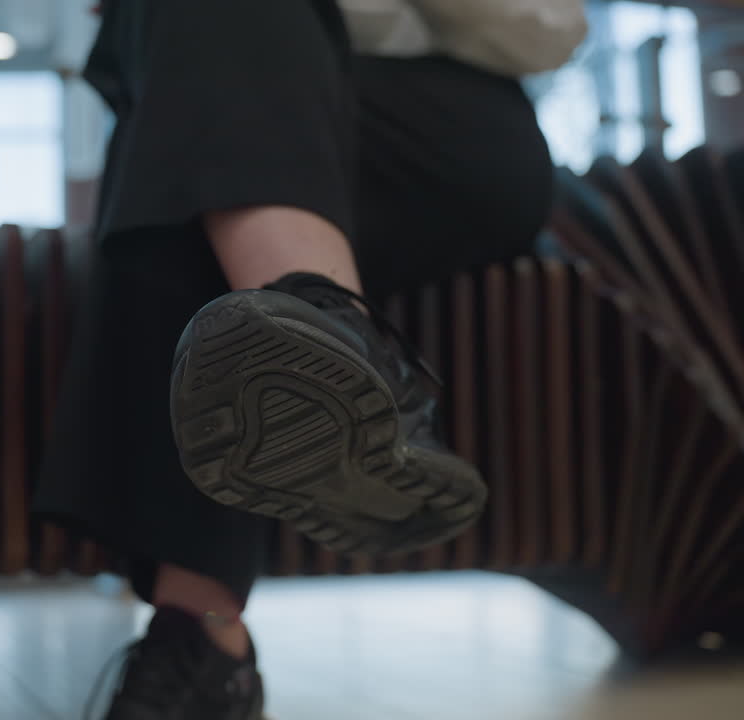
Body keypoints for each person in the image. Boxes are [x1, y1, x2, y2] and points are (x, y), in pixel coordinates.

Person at [33, 1, 587, 717]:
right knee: (201, 101)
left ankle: (200, 641)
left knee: (186, 142)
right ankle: (336, 345)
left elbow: (549, 29)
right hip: (218, 97)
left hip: (432, 131)